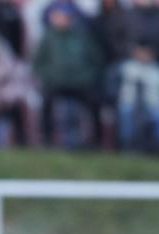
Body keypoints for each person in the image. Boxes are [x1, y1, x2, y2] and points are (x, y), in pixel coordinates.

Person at [33, 7, 103, 148]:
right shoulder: (47, 37)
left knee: (94, 103)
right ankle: (47, 139)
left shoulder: (82, 36)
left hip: (80, 82)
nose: (62, 20)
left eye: (65, 17)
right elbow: (37, 62)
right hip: (56, 82)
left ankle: (96, 141)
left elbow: (96, 59)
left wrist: (88, 76)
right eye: (59, 17)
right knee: (46, 103)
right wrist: (48, 76)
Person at [116, 41, 159, 153]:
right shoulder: (125, 68)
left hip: (153, 104)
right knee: (126, 112)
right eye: (141, 52)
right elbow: (113, 87)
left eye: (146, 53)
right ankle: (127, 144)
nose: (143, 56)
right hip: (129, 102)